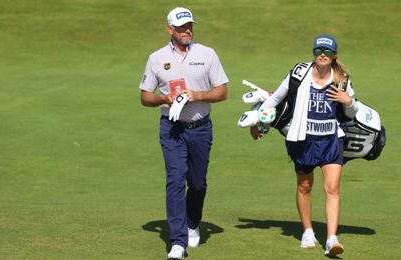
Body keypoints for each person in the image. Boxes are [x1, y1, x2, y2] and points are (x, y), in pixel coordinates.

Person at [251, 34, 359, 256]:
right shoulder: (299, 73)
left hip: (331, 139)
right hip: (302, 138)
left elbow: (351, 111)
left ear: (334, 56)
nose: (322, 55)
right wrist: (257, 119)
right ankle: (308, 231)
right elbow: (275, 98)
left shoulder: (342, 79)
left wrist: (348, 102)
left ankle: (331, 238)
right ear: (314, 53)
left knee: (332, 188)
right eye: (318, 50)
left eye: (327, 52)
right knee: (304, 186)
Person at [139, 7, 228, 260]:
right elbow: (145, 97)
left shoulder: (207, 54)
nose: (187, 30)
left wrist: (197, 95)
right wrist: (162, 99)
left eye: (189, 25)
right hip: (172, 129)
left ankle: (192, 222)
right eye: (181, 27)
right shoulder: (156, 58)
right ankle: (178, 241)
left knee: (197, 184)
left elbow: (222, 91)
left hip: (200, 128)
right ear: (170, 30)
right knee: (175, 180)